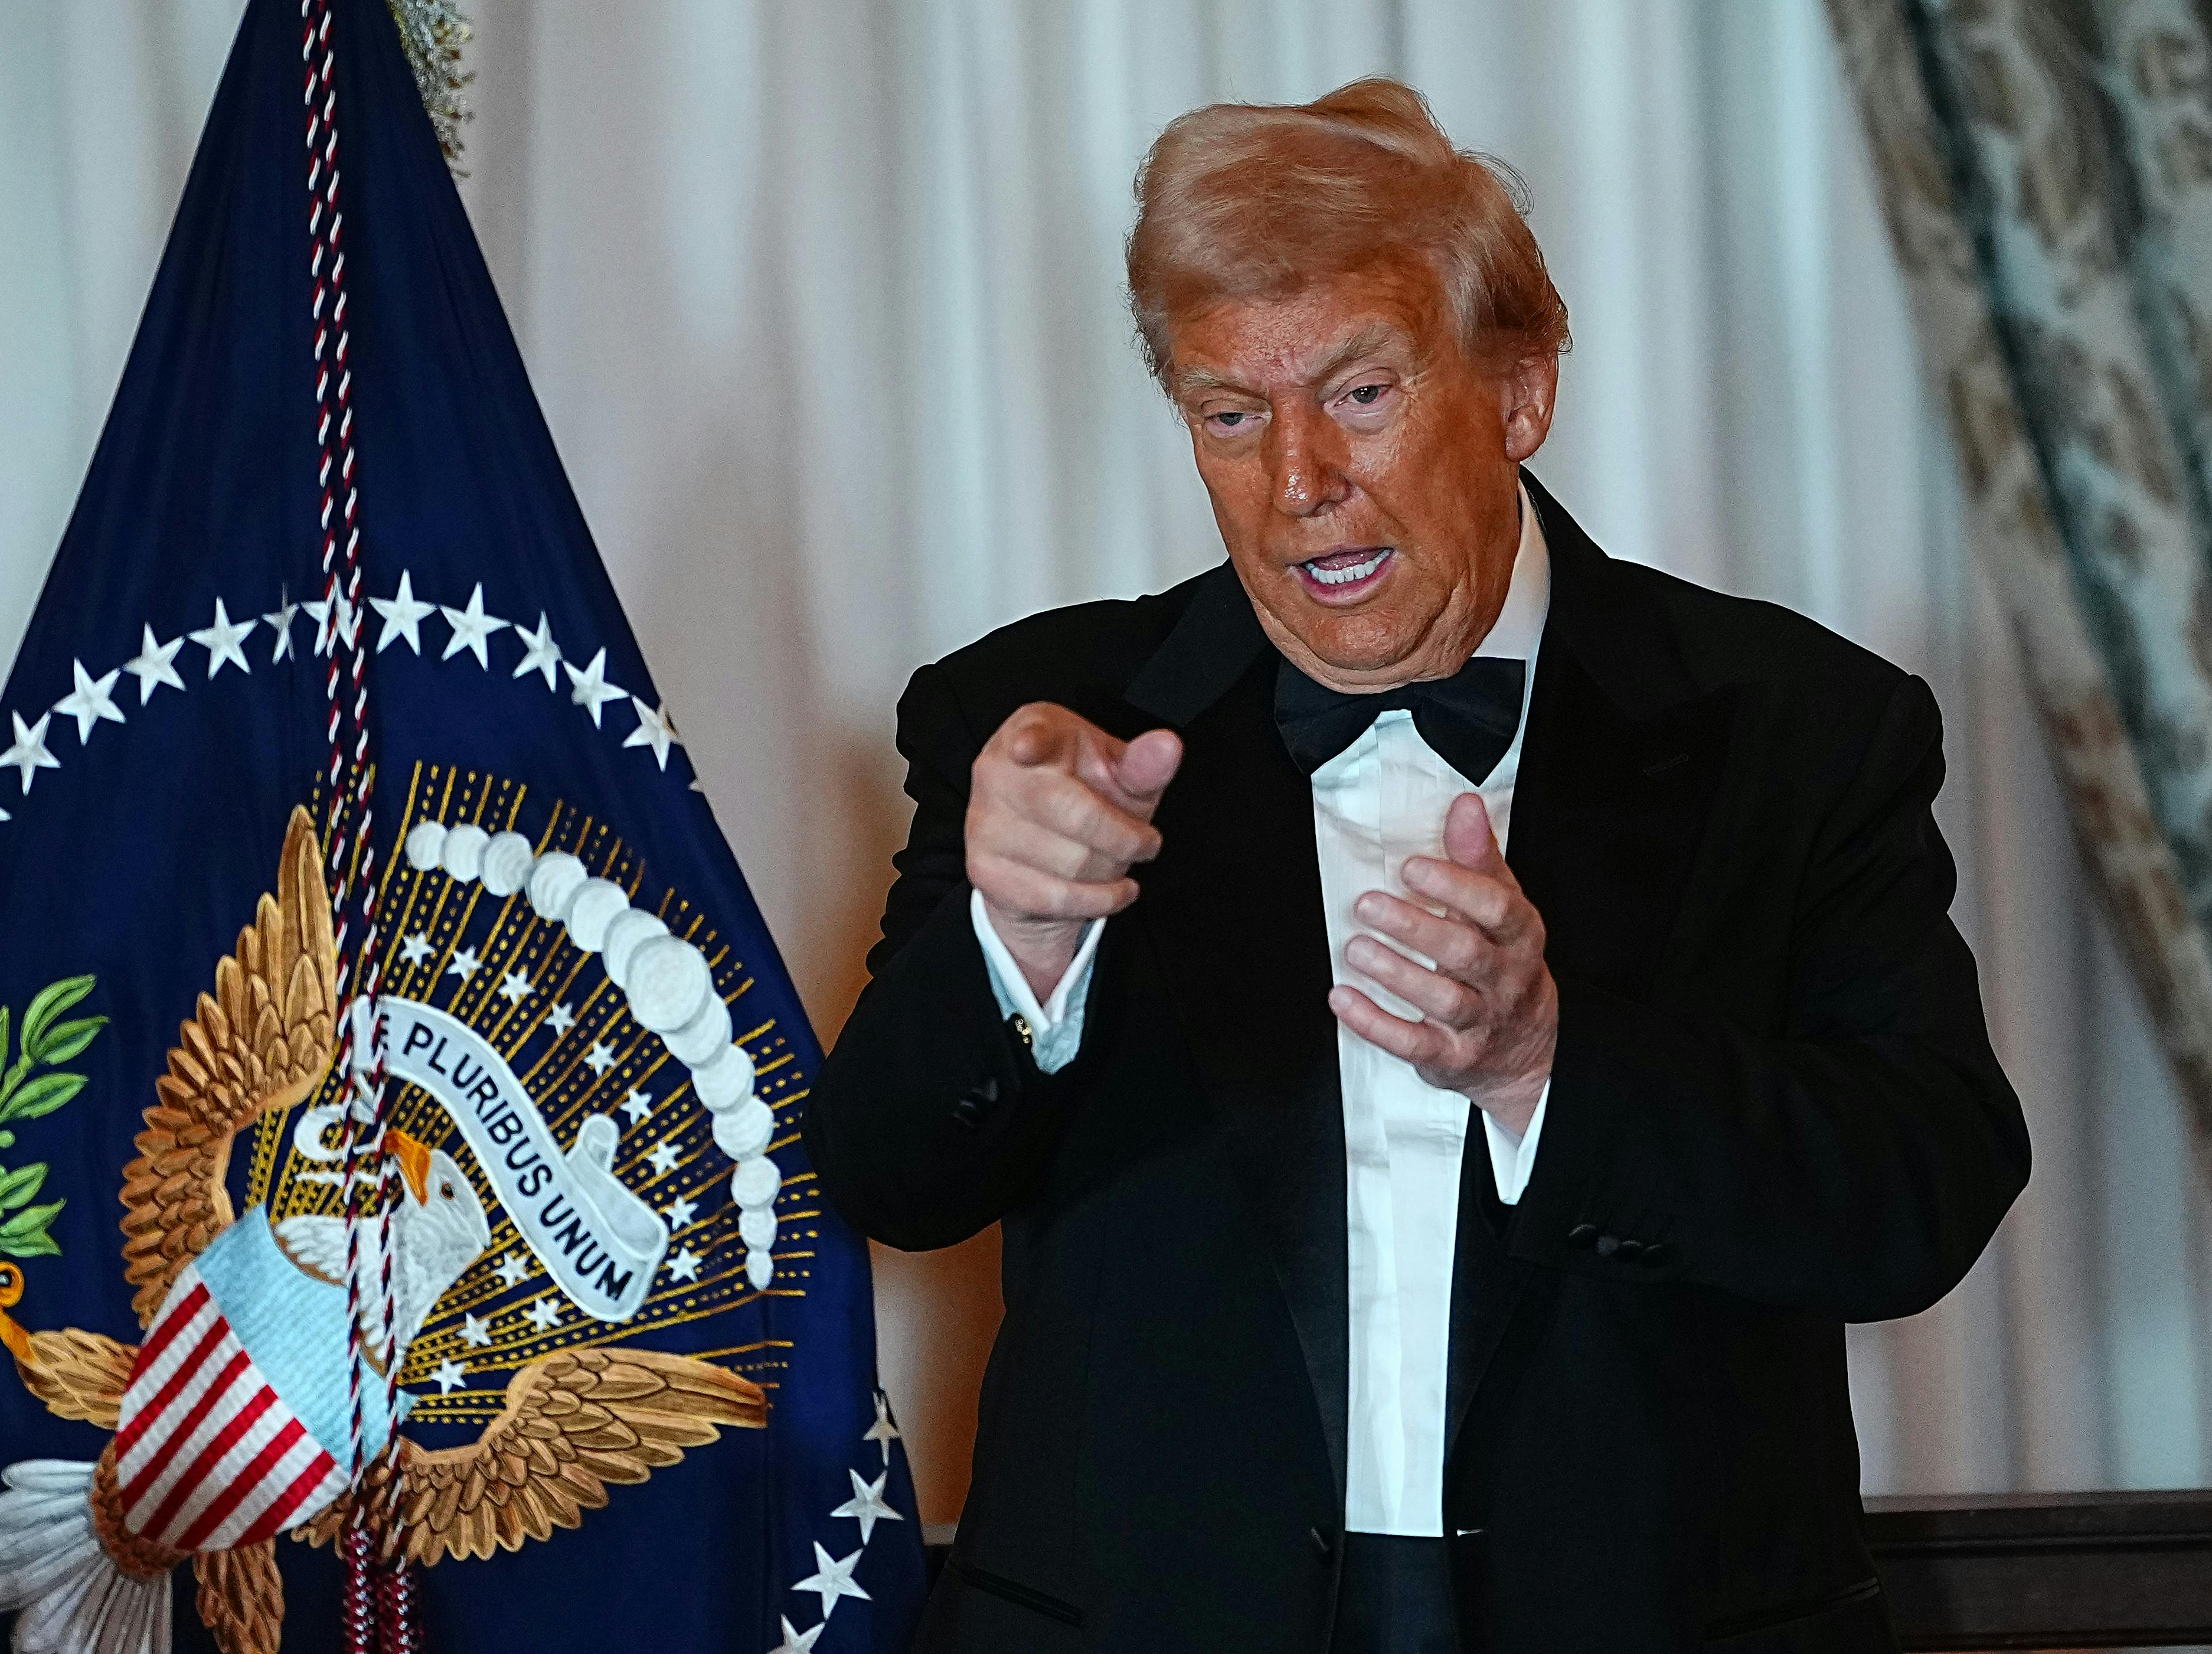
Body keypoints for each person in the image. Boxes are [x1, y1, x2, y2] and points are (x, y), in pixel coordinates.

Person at [804, 77, 2028, 1654]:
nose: (1297, 478)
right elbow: (888, 1177)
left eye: (1361, 393)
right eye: (1229, 413)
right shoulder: (1040, 726)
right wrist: (1016, 941)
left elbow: (1922, 1192)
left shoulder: (1798, 730)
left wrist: (1550, 1065)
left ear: (1517, 389)